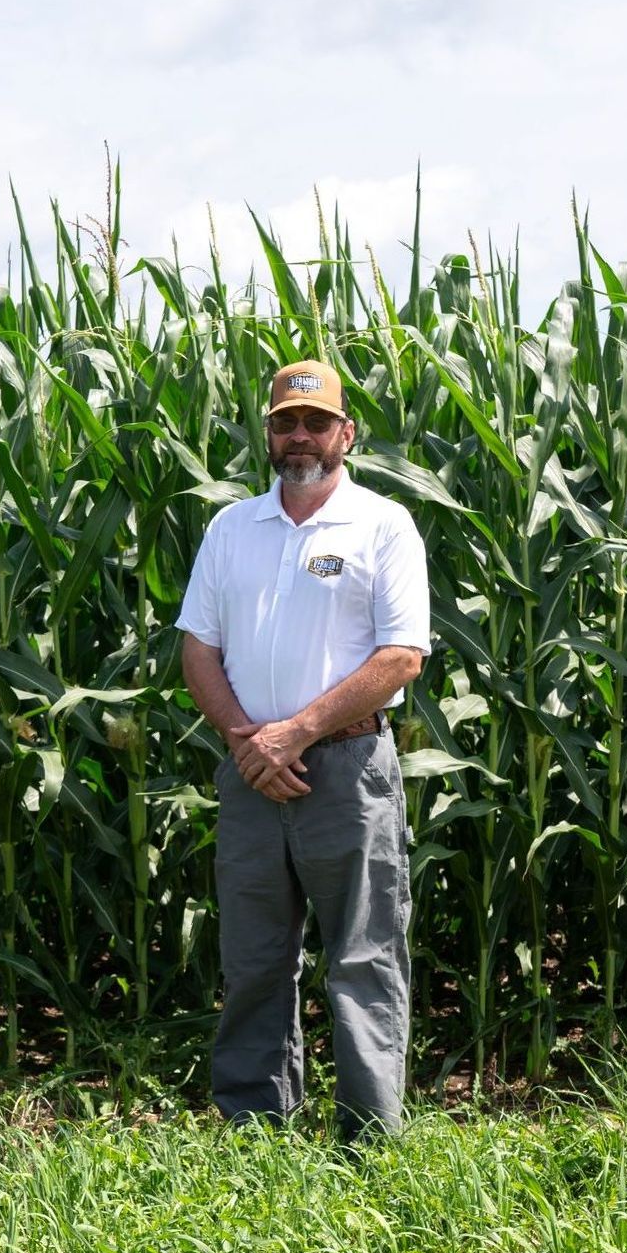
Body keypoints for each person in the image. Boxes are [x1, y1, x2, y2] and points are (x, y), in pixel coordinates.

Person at [176, 359, 430, 1138]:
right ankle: (256, 1128)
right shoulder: (231, 528)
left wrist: (296, 732)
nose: (299, 436)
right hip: (250, 774)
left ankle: (368, 1141)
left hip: (347, 772)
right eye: (285, 422)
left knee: (361, 956)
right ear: (268, 433)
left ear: (345, 434)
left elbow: (401, 656)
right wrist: (246, 742)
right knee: (253, 961)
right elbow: (197, 645)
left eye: (316, 422)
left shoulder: (381, 524)